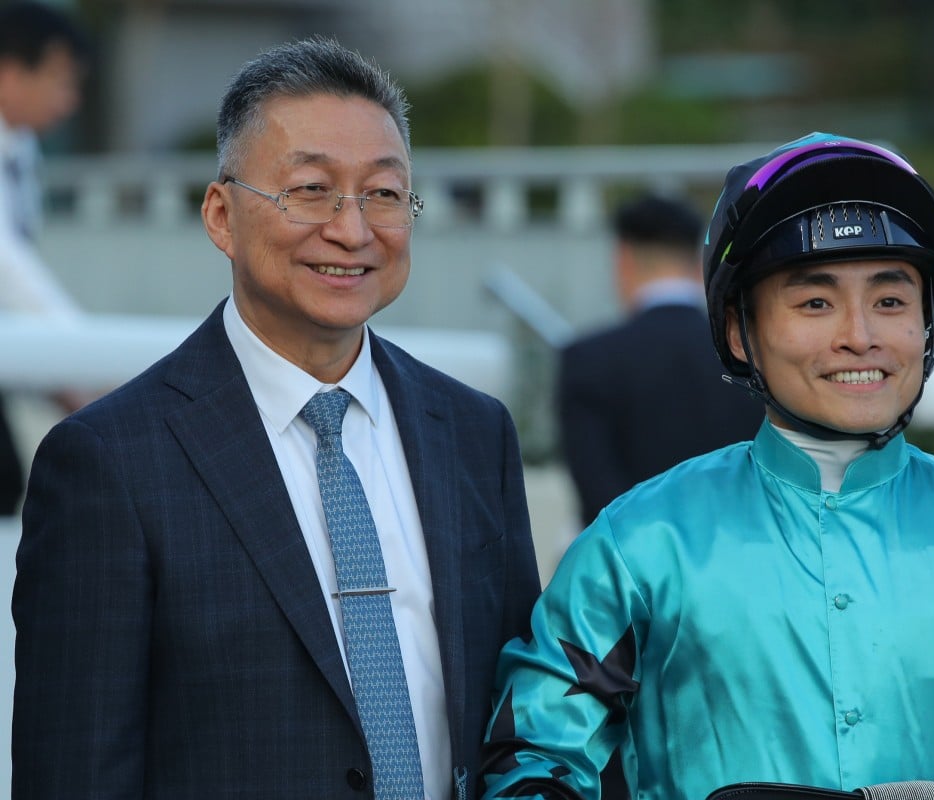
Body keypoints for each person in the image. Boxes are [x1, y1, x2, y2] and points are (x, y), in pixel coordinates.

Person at [480, 133, 934, 800]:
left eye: (889, 300)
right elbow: (529, 763)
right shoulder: (636, 544)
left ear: (926, 324)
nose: (860, 337)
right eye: (816, 301)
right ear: (739, 330)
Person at [12, 36, 541, 799]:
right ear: (222, 215)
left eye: (384, 194)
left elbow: (513, 718)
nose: (353, 230)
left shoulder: (472, 432)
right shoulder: (110, 462)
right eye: (312, 190)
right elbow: (75, 772)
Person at [556, 192, 762, 526]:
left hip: (633, 569)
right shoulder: (750, 350)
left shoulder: (589, 359)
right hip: (744, 556)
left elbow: (598, 497)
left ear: (623, 260)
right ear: (700, 264)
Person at [0, 1, 90, 515]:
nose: (70, 101)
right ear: (11, 73)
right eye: (60, 81)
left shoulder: (20, 148)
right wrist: (79, 353)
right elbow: (7, 268)